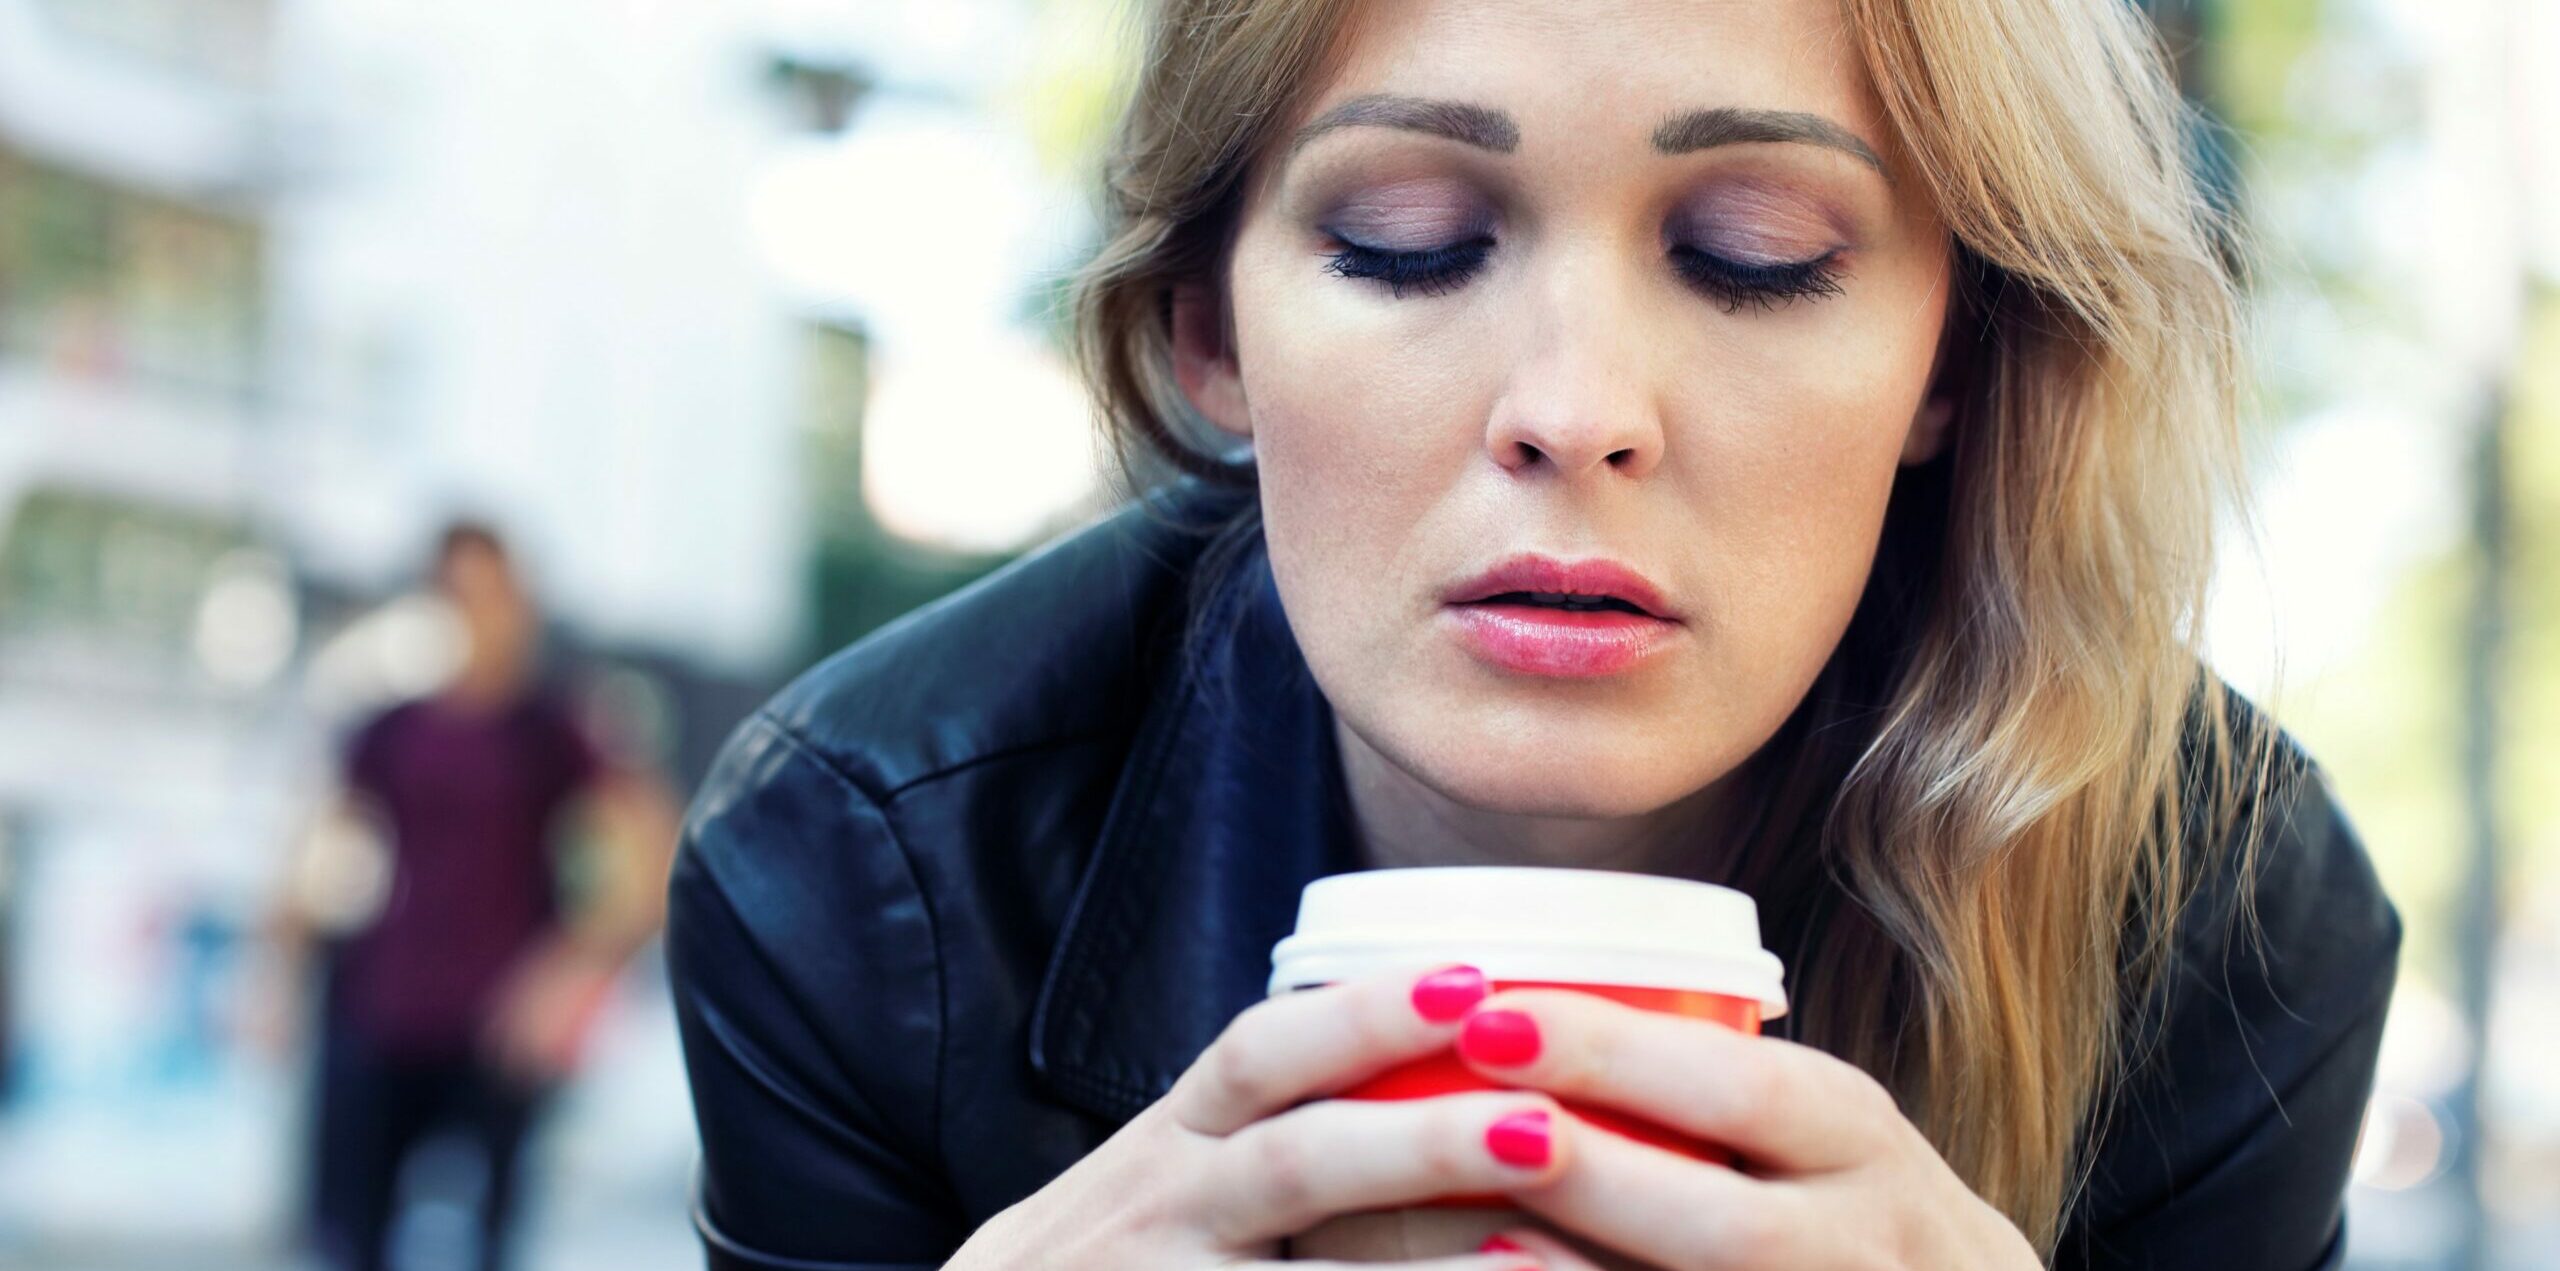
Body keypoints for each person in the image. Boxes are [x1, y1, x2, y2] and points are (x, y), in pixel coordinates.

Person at [667, 0, 2400, 1267]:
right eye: (1406, 243)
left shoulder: (2221, 917)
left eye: (1754, 255)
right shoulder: (859, 874)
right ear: (1210, 332)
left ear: (1954, 359)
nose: (1575, 413)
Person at [273, 522, 679, 1271]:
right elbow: (318, 854)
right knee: (349, 1237)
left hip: (499, 1033)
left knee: (487, 1242)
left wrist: (568, 975)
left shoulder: (552, 729)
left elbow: (653, 862)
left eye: (494, 594)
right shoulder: (390, 729)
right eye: (458, 593)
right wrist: (276, 975)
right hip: (384, 1014)